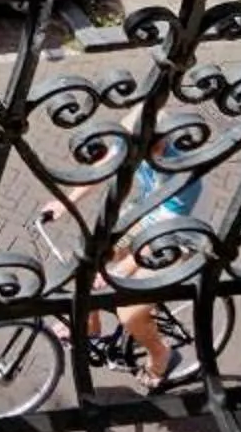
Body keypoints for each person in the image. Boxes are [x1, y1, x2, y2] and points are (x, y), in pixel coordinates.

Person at [42, 143, 207, 389]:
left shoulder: (184, 176)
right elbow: (103, 168)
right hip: (145, 217)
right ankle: (89, 326)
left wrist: (120, 270)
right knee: (88, 257)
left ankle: (161, 354)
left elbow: (162, 234)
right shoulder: (136, 141)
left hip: (176, 237)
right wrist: (66, 202)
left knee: (128, 311)